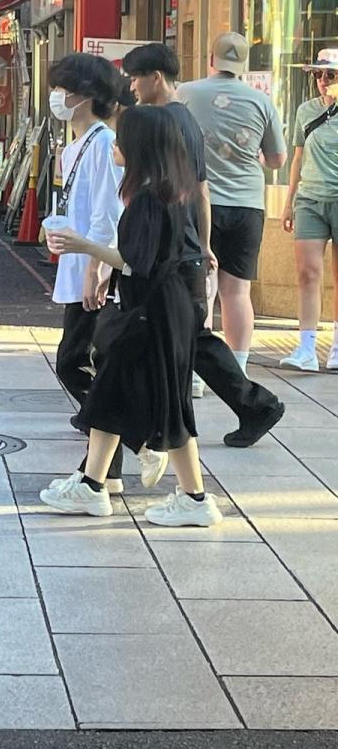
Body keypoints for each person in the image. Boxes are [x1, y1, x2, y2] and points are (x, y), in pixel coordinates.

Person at [42, 106, 223, 527]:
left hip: (153, 314)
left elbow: (134, 262)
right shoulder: (170, 192)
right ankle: (94, 486)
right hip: (162, 310)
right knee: (112, 396)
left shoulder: (148, 199)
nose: (115, 146)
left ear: (140, 148)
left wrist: (83, 246)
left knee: (164, 405)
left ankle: (193, 498)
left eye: (122, 140)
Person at [124, 43, 285, 446]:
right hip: (186, 242)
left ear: (155, 78)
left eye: (136, 78)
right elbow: (201, 189)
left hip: (175, 245)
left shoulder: (173, 119)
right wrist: (204, 244)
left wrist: (202, 245)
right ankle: (247, 406)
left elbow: (197, 189)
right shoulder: (181, 118)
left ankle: (245, 407)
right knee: (190, 335)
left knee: (186, 335)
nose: (132, 86)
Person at [177, 33, 287, 378]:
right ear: (243, 64)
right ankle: (237, 371)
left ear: (211, 59)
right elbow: (277, 159)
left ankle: (197, 373)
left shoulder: (186, 93)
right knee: (237, 291)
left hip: (198, 203)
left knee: (201, 288)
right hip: (247, 205)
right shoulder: (261, 101)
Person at [46, 53, 133, 488]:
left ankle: (132, 437)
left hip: (95, 271)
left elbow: (107, 212)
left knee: (74, 362)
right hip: (78, 264)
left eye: (61, 89)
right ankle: (110, 463)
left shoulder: (103, 143)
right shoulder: (74, 146)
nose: (56, 97)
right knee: (82, 362)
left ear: (83, 95)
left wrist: (95, 269)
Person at [280, 47, 338, 371]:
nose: (323, 80)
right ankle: (306, 349)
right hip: (309, 200)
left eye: (330, 74)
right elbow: (297, 158)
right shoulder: (306, 110)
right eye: (318, 74)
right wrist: (289, 201)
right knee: (307, 273)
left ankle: (337, 347)